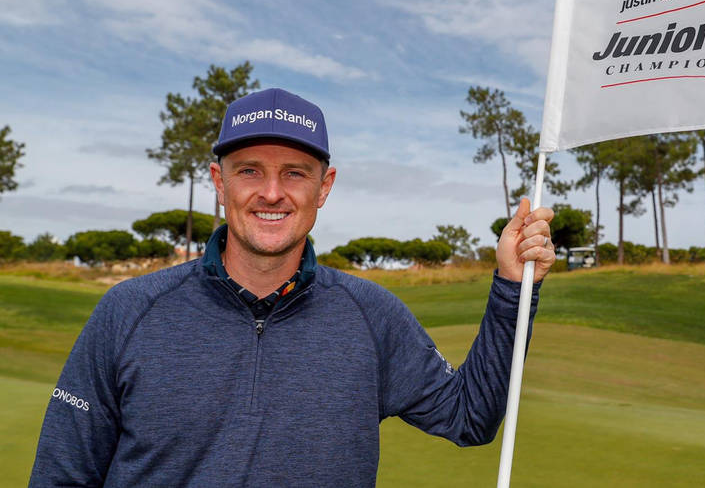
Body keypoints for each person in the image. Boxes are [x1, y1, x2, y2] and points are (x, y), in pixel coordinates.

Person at [29, 88, 556, 487]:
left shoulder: (372, 315)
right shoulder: (130, 311)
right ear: (219, 182)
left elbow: (471, 416)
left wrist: (513, 286)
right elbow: (61, 473)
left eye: (296, 173)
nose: (272, 193)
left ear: (324, 187)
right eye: (250, 171)